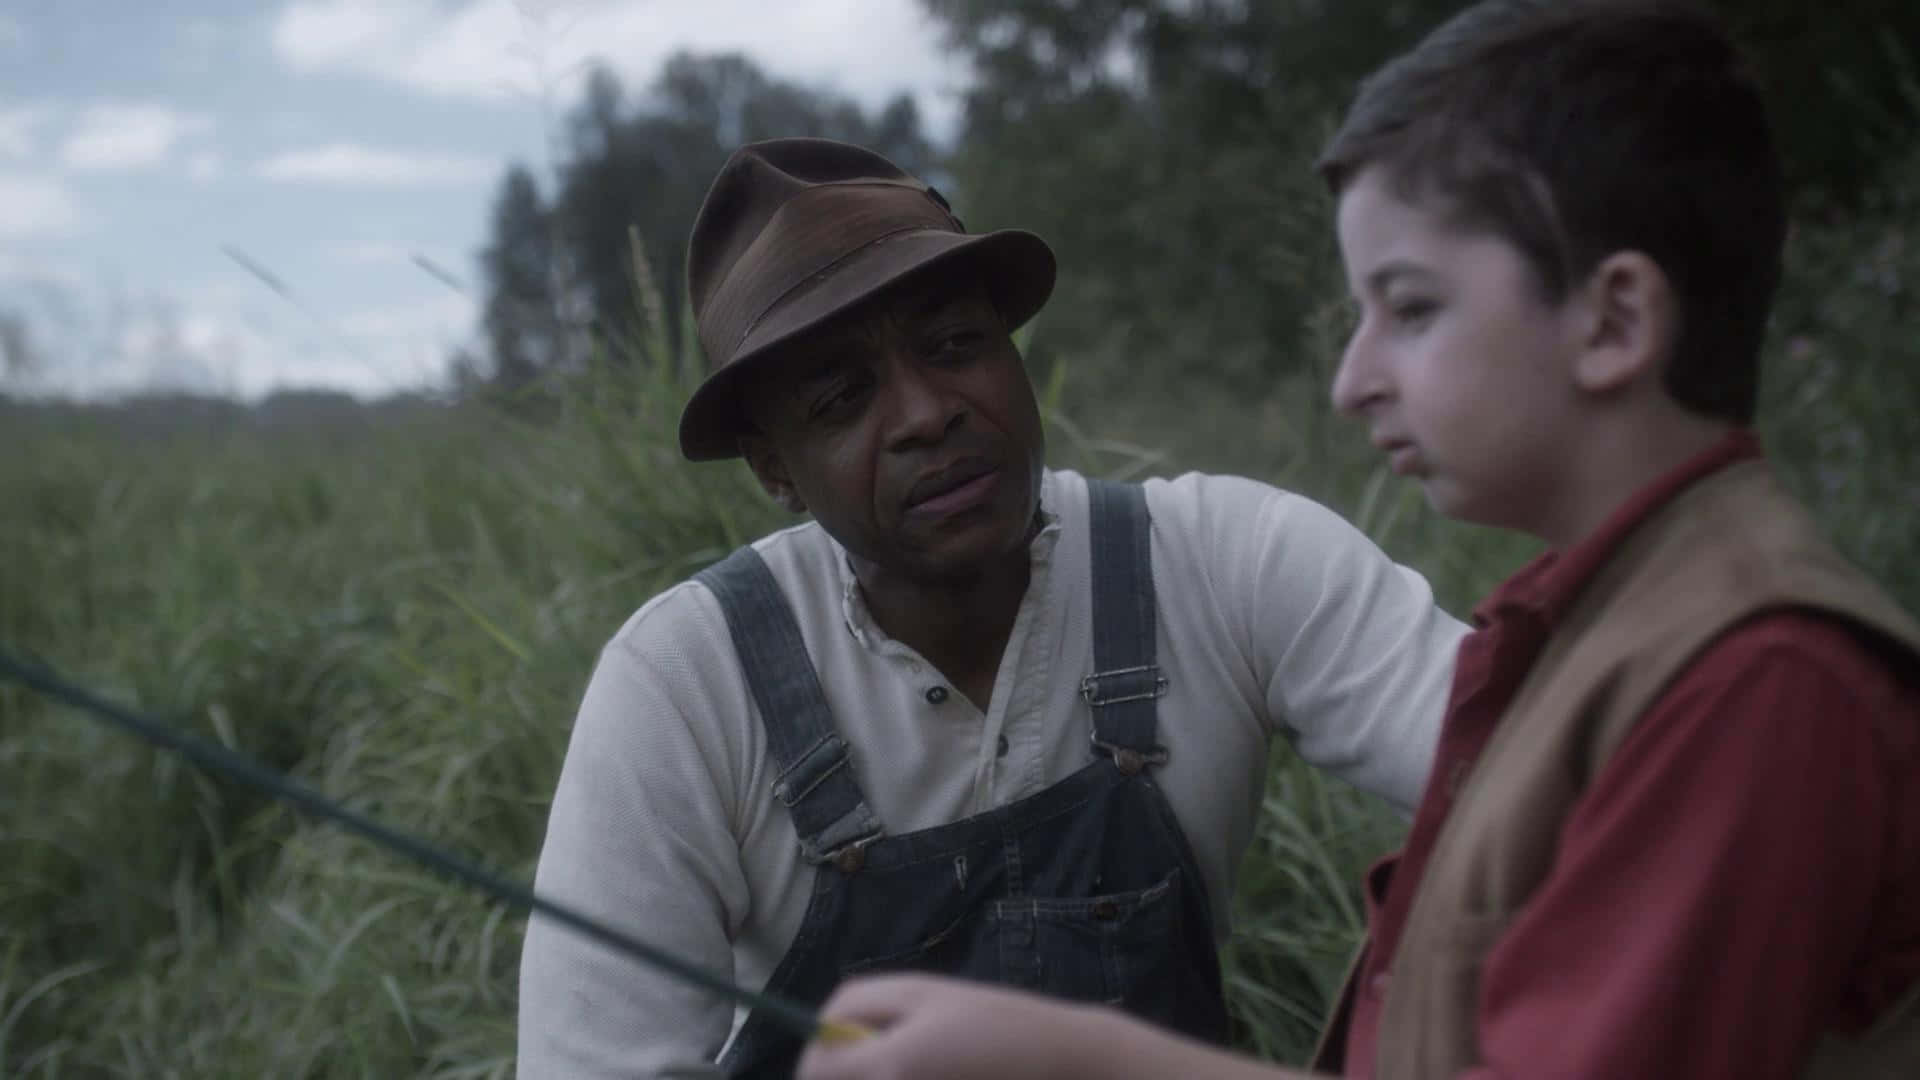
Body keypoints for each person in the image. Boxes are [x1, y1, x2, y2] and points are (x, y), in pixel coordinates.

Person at [794, 2, 1920, 1079]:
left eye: (1413, 309)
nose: (1352, 381)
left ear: (1616, 319)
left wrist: (1071, 1058)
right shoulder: (1588, 628)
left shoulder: (1756, 677)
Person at [514, 137, 1468, 1078]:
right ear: (775, 468)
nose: (928, 413)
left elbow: (1556, 780)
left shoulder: (1229, 563)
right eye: (844, 398)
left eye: (955, 344)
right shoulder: (684, 684)